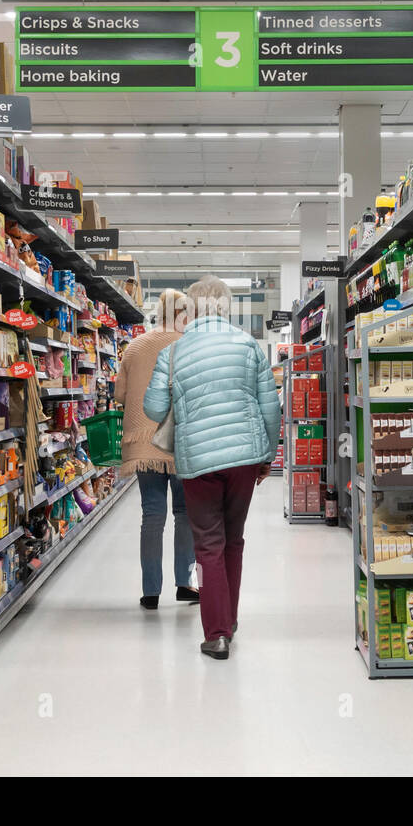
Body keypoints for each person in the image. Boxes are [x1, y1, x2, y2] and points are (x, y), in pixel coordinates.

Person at [144, 275, 280, 660]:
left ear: (190, 310)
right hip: (244, 458)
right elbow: (270, 407)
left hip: (198, 461)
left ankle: (216, 633)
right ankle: (230, 619)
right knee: (233, 540)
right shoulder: (248, 345)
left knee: (207, 545)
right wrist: (267, 455)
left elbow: (153, 409)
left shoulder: (173, 353)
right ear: (226, 307)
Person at [114, 289, 198, 611]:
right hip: (179, 441)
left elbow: (120, 394)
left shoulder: (135, 346)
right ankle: (184, 584)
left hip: (143, 443)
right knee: (185, 514)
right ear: (181, 313)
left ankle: (150, 592)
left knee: (152, 514)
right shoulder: (189, 344)